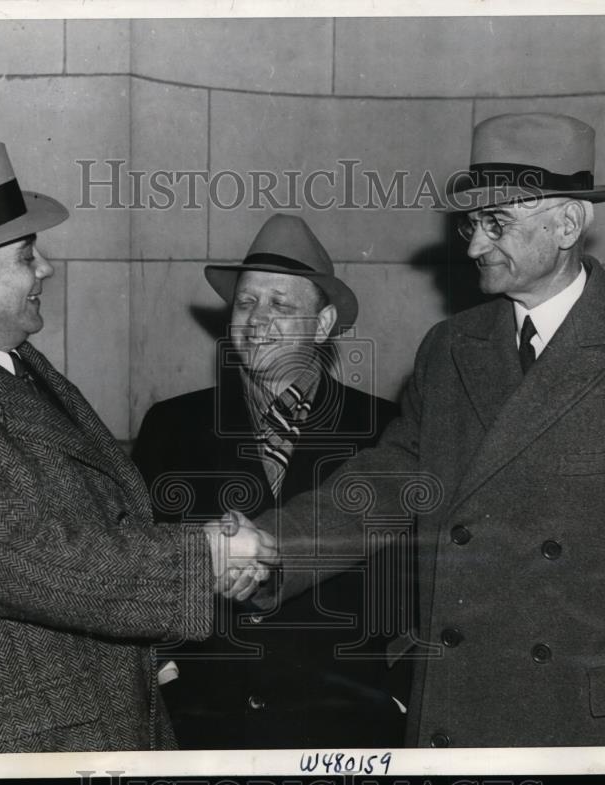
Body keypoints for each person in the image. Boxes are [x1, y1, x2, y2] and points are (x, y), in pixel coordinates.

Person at [233, 113, 605, 747]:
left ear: (567, 225)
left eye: (497, 224)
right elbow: (385, 483)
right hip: (462, 704)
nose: (474, 247)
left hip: (599, 723)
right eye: (472, 224)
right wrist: (268, 546)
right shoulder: (451, 346)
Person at [0, 140, 274, 755]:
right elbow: (19, 561)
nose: (44, 268)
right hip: (10, 744)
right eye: (25, 256)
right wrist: (202, 555)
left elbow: (94, 521)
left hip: (87, 720)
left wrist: (205, 553)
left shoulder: (8, 364)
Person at [132, 214, 412, 749]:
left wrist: (396, 696)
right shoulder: (172, 426)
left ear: (324, 324)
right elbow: (140, 562)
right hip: (204, 730)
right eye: (246, 302)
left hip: (345, 730)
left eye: (280, 305)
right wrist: (167, 680)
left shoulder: (385, 430)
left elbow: (423, 580)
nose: (257, 321)